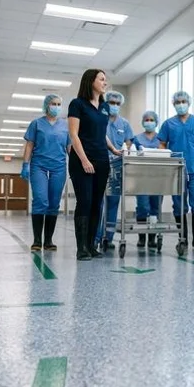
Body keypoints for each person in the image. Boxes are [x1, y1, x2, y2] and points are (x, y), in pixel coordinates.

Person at [67, 69, 123, 261]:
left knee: (97, 204)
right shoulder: (77, 104)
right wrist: (83, 160)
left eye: (105, 80)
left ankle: (91, 246)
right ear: (91, 81)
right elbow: (74, 134)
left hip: (101, 160)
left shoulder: (104, 106)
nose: (105, 83)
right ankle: (81, 248)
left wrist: (113, 149)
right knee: (85, 201)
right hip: (82, 159)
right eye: (102, 79)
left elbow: (101, 132)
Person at [157, 91, 194, 251]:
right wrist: (163, 161)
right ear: (174, 104)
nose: (181, 104)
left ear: (188, 103)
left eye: (183, 101)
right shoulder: (168, 124)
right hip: (176, 169)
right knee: (179, 204)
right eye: (178, 102)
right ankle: (183, 238)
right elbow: (162, 144)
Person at [20, 94, 71, 251]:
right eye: (53, 104)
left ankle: (48, 240)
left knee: (54, 203)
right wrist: (25, 164)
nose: (56, 107)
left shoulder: (65, 126)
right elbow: (29, 144)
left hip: (59, 166)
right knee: (41, 200)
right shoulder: (36, 124)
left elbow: (69, 147)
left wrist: (77, 166)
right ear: (46, 106)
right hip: (39, 166)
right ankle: (37, 240)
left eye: (58, 104)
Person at [95, 90, 134, 252]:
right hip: (100, 163)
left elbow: (129, 142)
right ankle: (96, 237)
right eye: (112, 103)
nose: (115, 106)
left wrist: (126, 150)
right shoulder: (99, 120)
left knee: (113, 202)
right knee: (98, 203)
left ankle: (108, 237)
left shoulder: (124, 124)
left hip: (117, 167)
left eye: (118, 104)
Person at [132, 110, 164, 249]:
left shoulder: (161, 139)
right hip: (141, 178)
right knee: (143, 207)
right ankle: (141, 237)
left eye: (152, 120)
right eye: (147, 120)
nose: (149, 122)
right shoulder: (137, 138)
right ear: (143, 122)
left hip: (157, 178)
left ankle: (152, 238)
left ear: (156, 122)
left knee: (155, 208)